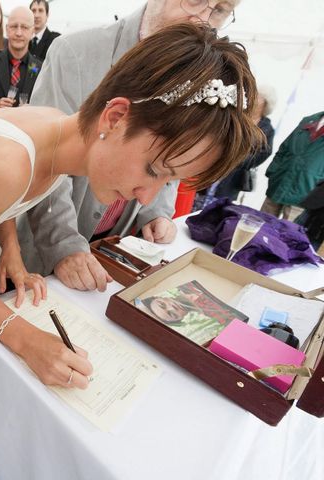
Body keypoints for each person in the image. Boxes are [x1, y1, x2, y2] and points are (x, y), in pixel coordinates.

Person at [0, 22, 262, 423]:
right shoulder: (4, 163)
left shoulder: (58, 132)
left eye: (168, 181)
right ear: (114, 117)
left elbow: (3, 201)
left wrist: (11, 249)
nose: (148, 197)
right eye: (154, 169)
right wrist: (27, 339)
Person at [17, 0, 241, 292]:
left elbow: (173, 158)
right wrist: (64, 244)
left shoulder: (200, 78)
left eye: (221, 10)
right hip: (43, 255)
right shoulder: (76, 53)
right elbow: (46, 159)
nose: (203, 18)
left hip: (114, 244)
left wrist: (157, 211)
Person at [209, 85, 276, 202]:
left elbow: (263, 153)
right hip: (214, 164)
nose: (253, 98)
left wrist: (236, 159)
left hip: (235, 174)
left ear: (265, 103)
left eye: (258, 96)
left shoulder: (267, 129)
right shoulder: (236, 115)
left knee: (219, 203)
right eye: (252, 94)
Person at [261, 110, 324, 221]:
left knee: (288, 235)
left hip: (305, 194)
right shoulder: (308, 120)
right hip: (279, 184)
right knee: (258, 226)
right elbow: (284, 148)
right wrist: (273, 172)